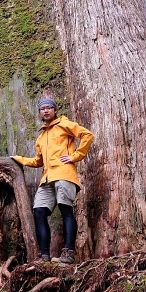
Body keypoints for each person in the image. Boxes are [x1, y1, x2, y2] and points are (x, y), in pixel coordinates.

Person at [11, 97, 94, 265]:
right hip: (47, 178)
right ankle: (44, 255)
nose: (46, 110)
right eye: (43, 109)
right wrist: (19, 159)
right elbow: (38, 161)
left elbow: (87, 135)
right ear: (40, 112)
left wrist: (75, 156)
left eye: (49, 107)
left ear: (55, 110)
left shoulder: (65, 124)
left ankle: (69, 253)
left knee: (65, 210)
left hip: (64, 174)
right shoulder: (41, 137)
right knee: (39, 212)